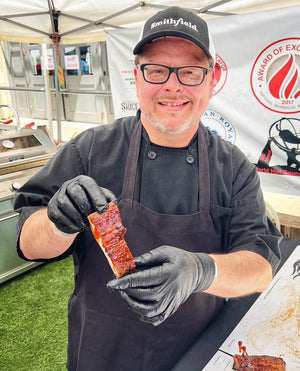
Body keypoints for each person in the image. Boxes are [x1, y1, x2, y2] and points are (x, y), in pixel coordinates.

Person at [14, 6, 282, 371]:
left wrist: (200, 270)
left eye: (189, 72)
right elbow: (30, 246)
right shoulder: (90, 149)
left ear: (210, 80)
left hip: (195, 355)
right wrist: (58, 222)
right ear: (136, 77)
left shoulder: (233, 168)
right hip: (100, 354)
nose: (173, 85)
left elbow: (261, 266)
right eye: (156, 70)